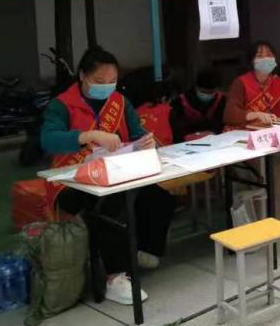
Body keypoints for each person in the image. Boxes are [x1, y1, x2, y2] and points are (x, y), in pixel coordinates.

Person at [40, 47, 174, 306]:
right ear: (82, 76)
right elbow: (48, 140)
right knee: (109, 205)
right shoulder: (62, 105)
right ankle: (115, 276)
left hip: (114, 172)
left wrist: (145, 142)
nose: (106, 87)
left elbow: (136, 133)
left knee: (158, 196)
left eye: (112, 81)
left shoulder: (119, 102)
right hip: (71, 181)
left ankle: (142, 251)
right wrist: (87, 136)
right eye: (99, 81)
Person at [224, 42, 280, 225]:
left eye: (269, 54)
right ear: (251, 61)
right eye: (260, 55)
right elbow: (230, 113)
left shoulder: (276, 82)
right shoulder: (241, 83)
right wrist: (253, 115)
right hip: (248, 143)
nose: (266, 58)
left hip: (274, 140)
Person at [169, 68, 226, 143]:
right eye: (204, 92)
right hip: (187, 142)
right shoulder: (180, 102)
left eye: (211, 92)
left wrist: (213, 133)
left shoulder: (222, 100)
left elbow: (221, 124)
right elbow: (176, 129)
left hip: (214, 140)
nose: (207, 95)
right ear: (197, 87)